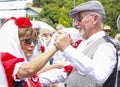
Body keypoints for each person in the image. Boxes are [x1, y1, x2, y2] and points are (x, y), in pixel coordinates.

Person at [54, 0, 118, 87]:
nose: (76, 23)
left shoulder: (106, 46)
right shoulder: (84, 43)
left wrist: (67, 49)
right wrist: (38, 79)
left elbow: (100, 75)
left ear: (95, 19)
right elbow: (68, 71)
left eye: (79, 18)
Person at [0, 17, 72, 87]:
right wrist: (56, 46)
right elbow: (30, 70)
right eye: (27, 41)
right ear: (15, 42)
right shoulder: (4, 60)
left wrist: (64, 72)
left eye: (35, 41)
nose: (32, 45)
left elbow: (37, 77)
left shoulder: (22, 62)